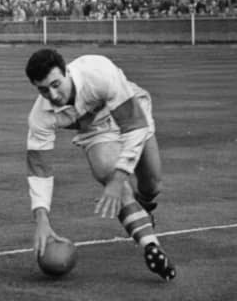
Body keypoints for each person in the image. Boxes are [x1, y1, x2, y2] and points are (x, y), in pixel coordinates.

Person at [25, 48, 176, 281]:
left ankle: (142, 208)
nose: (52, 95)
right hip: (96, 130)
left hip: (130, 111)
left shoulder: (98, 72)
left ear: (66, 72)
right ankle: (151, 245)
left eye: (56, 84)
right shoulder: (40, 117)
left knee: (152, 185)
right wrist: (41, 219)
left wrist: (118, 180)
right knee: (107, 170)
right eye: (43, 90)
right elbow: (39, 169)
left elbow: (133, 125)